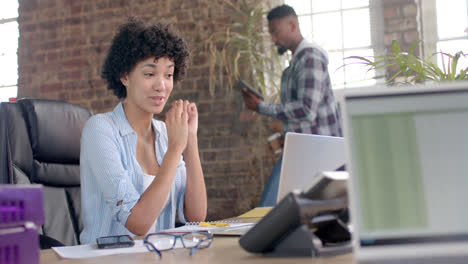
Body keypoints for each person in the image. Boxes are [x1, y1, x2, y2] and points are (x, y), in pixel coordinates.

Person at [80, 18, 207, 244]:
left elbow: (196, 218)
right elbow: (138, 223)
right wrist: (176, 148)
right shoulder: (100, 129)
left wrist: (190, 142)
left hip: (157, 257)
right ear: (125, 76)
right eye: (149, 74)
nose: (161, 85)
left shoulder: (167, 134)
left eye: (168, 74)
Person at [242, 5, 342, 207]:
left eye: (275, 32)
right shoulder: (295, 65)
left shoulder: (310, 58)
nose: (273, 39)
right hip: (304, 151)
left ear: (293, 25)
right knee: (277, 206)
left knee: (269, 206)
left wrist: (260, 106)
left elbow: (306, 110)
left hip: (318, 153)